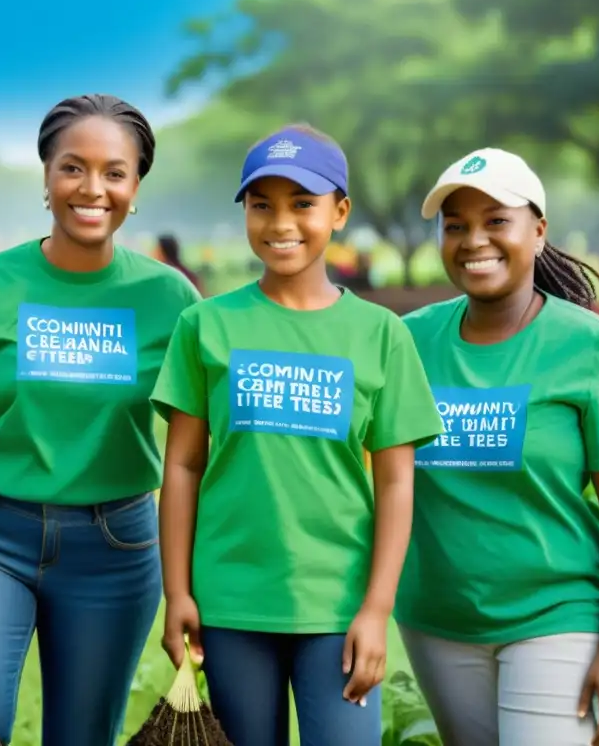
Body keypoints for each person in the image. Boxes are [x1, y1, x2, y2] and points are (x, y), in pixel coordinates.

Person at [0, 94, 200, 745]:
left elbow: (198, 450)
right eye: (72, 167)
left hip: (117, 549)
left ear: (136, 188)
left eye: (115, 172)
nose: (92, 188)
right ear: (46, 178)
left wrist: (199, 576)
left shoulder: (172, 300)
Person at [150, 124, 443, 746]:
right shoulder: (204, 326)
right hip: (231, 604)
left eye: (302, 204)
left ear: (339, 212)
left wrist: (376, 608)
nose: (280, 222)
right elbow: (181, 468)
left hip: (337, 609)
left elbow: (395, 482)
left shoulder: (381, 334)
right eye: (262, 205)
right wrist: (177, 591)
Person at [396, 148, 599, 746]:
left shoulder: (595, 348)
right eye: (455, 225)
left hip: (556, 616)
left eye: (496, 221)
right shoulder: (408, 341)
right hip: (437, 619)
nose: (473, 240)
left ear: (538, 232)